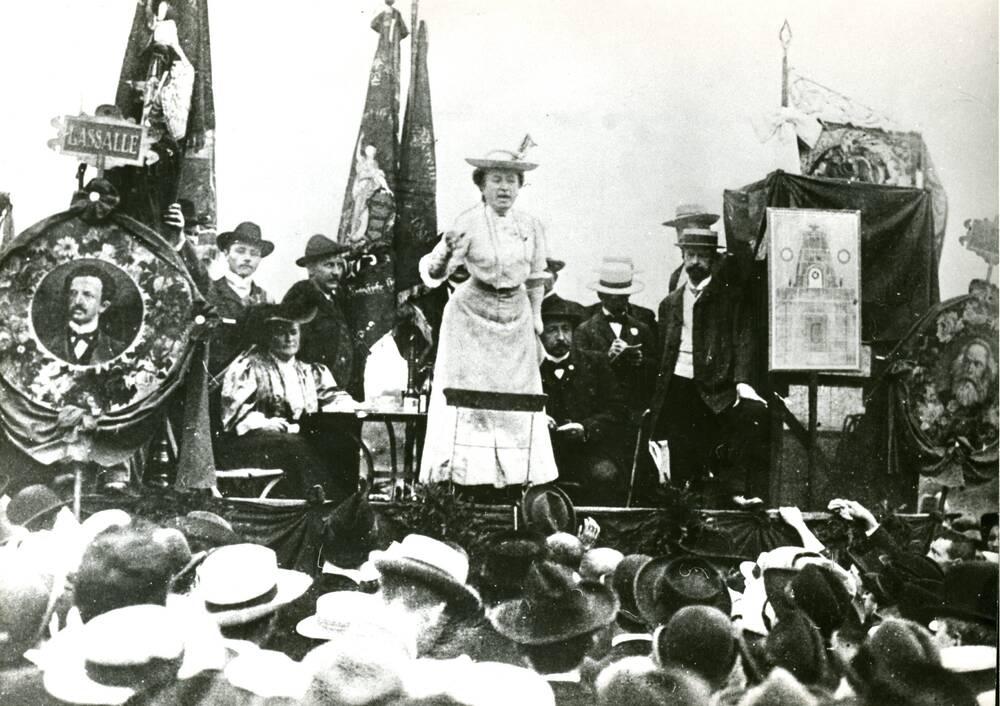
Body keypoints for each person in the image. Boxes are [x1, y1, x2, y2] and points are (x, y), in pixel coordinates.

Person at [417, 144, 558, 490]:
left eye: (512, 180)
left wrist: (536, 318)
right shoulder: (468, 222)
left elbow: (538, 275)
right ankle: (465, 480)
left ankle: (518, 480)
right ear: (481, 184)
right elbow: (433, 272)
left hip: (516, 317)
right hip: (470, 315)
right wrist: (448, 249)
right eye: (496, 179)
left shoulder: (531, 225)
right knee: (469, 400)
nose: (505, 187)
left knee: (517, 401)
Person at [649, 227, 769, 506]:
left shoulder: (730, 299)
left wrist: (741, 381)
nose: (695, 262)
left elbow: (744, 339)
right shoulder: (670, 303)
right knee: (679, 448)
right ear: (682, 256)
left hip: (715, 384)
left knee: (713, 444)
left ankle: (723, 501)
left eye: (701, 256)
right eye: (690, 255)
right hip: (677, 382)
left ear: (713, 259)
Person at [215, 303, 357, 499]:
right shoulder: (250, 366)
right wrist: (264, 423)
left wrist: (355, 406)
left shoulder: (310, 371)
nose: (289, 339)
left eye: (293, 332)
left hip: (295, 438)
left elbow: (332, 397)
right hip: (254, 441)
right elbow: (235, 412)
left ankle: (345, 498)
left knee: (340, 442)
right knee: (293, 444)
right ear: (269, 336)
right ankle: (316, 497)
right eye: (281, 333)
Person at [539, 300, 629, 504]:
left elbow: (617, 410)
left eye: (566, 330)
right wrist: (539, 419)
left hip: (589, 451)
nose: (561, 337)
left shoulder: (596, 363)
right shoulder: (530, 368)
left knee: (605, 474)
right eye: (552, 330)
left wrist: (586, 428)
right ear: (540, 334)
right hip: (545, 453)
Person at [575, 255, 658, 427]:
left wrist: (640, 360)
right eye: (612, 296)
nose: (618, 301)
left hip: (634, 411)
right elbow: (580, 367)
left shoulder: (642, 328)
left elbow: (656, 367)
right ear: (601, 295)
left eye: (622, 296)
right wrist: (607, 356)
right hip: (600, 413)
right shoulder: (585, 330)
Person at [283, 234, 367, 401]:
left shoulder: (337, 300)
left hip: (342, 398)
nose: (336, 272)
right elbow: (290, 353)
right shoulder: (300, 297)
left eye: (339, 265)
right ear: (310, 268)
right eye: (329, 265)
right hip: (314, 398)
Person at [207, 221, 274, 374]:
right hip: (215, 382)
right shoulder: (210, 292)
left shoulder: (266, 299)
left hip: (254, 386)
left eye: (254, 253)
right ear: (226, 252)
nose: (247, 258)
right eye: (240, 251)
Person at [40, 263, 126, 365]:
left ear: (103, 306)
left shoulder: (118, 350)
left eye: (87, 295)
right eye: (73, 293)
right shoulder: (45, 345)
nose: (77, 301)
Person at [662, 203, 721, 292]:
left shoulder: (725, 267)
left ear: (704, 228)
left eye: (687, 228)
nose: (682, 235)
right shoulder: (676, 277)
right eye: (678, 230)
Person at [541, 257, 587, 325]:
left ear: (555, 278)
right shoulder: (524, 307)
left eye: (544, 274)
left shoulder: (572, 309)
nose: (538, 280)